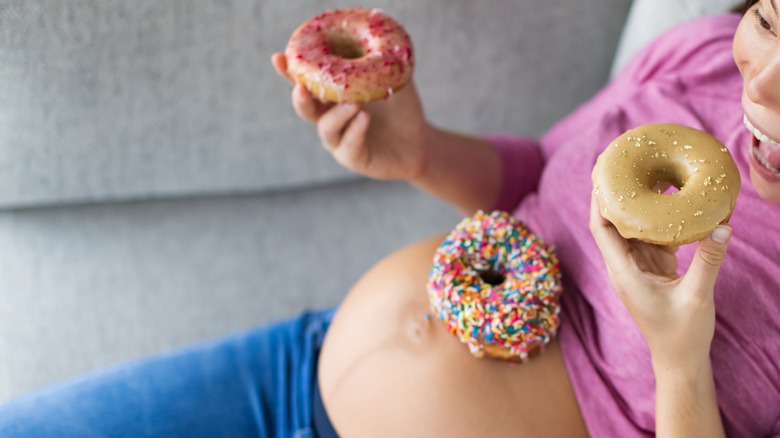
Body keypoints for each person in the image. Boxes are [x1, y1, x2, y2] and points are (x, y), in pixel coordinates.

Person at [1, 1, 778, 436]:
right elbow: (543, 175)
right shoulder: (706, 52)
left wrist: (680, 361)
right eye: (772, 24)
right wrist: (420, 152)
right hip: (293, 372)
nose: (764, 89)